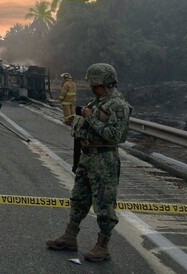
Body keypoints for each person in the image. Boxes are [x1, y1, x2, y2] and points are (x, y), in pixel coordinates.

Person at [46, 63, 131, 263]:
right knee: (79, 198)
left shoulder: (118, 105)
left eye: (95, 83)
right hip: (88, 156)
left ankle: (103, 246)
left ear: (104, 83)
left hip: (104, 160)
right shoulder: (98, 101)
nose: (92, 87)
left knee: (104, 205)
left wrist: (90, 119)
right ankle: (69, 237)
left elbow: (114, 135)